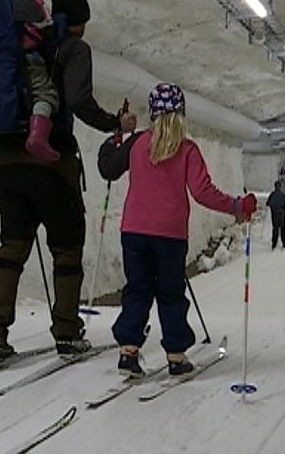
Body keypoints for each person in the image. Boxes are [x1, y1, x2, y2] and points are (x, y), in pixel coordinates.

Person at [0, 0, 137, 361]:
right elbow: (79, 101)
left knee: (11, 248)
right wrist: (116, 122)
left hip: (10, 161)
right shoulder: (74, 48)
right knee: (66, 249)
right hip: (51, 163)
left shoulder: (20, 41)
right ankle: (66, 331)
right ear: (81, 20)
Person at [97, 83, 257, 378]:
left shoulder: (137, 144)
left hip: (133, 231)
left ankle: (128, 353)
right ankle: (175, 355)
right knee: (171, 292)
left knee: (137, 290)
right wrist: (237, 205)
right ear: (181, 114)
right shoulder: (187, 149)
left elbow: (108, 166)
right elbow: (203, 192)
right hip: (170, 235)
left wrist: (114, 139)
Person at [12, 0, 61, 163]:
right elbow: (49, 36)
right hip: (30, 60)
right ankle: (38, 137)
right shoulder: (35, 6)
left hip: (3, 61)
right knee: (46, 95)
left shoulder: (6, 2)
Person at [266, 181, 285, 250]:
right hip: (282, 213)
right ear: (280, 187)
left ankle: (274, 243)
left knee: (275, 228)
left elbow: (267, 203)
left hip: (274, 214)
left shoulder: (272, 194)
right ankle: (284, 243)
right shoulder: (283, 194)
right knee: (283, 228)